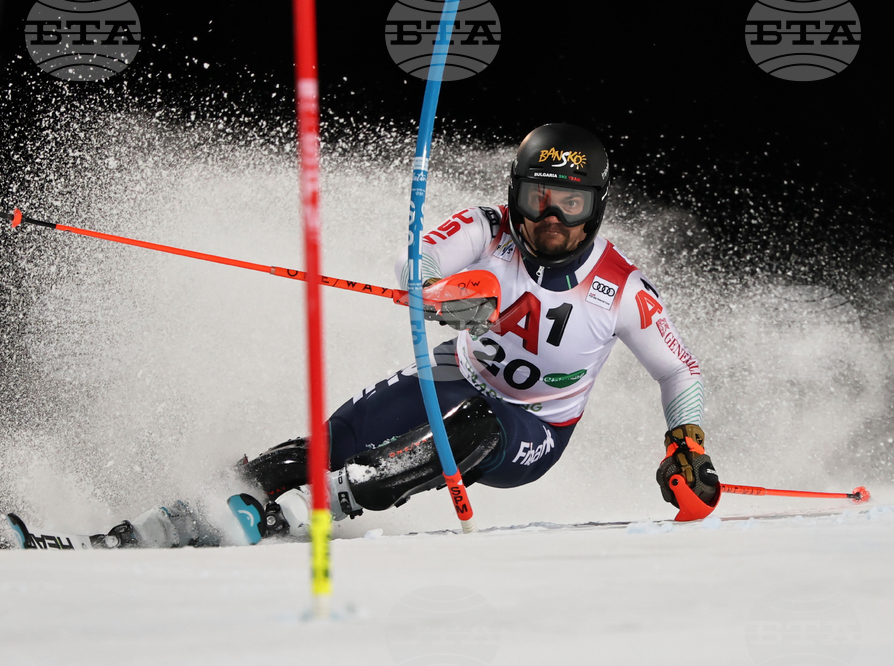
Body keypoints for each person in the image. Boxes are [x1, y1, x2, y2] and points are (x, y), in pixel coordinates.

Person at [106, 123, 719, 548]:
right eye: (538, 199)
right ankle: (179, 513)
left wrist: (685, 442)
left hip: (534, 426)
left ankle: (317, 505)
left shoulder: (622, 288)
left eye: (571, 205)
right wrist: (443, 291)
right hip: (459, 372)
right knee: (337, 438)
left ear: (596, 207)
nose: (551, 219)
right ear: (516, 195)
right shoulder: (489, 226)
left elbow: (678, 369)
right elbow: (414, 260)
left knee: (475, 428)